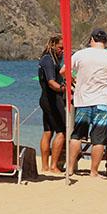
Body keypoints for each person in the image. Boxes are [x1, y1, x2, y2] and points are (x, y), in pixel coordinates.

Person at [60, 28, 107, 178]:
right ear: (105, 42)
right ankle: (93, 172)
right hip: (103, 101)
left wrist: (73, 79)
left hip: (83, 101)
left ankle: (69, 168)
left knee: (77, 135)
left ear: (91, 40)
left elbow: (63, 71)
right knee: (99, 139)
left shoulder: (80, 54)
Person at [38, 34, 65, 173]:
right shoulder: (48, 60)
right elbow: (51, 82)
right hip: (52, 99)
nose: (62, 51)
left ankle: (44, 166)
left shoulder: (49, 59)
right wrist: (63, 89)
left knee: (48, 131)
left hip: (46, 99)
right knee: (62, 131)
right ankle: (53, 166)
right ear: (53, 45)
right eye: (61, 47)